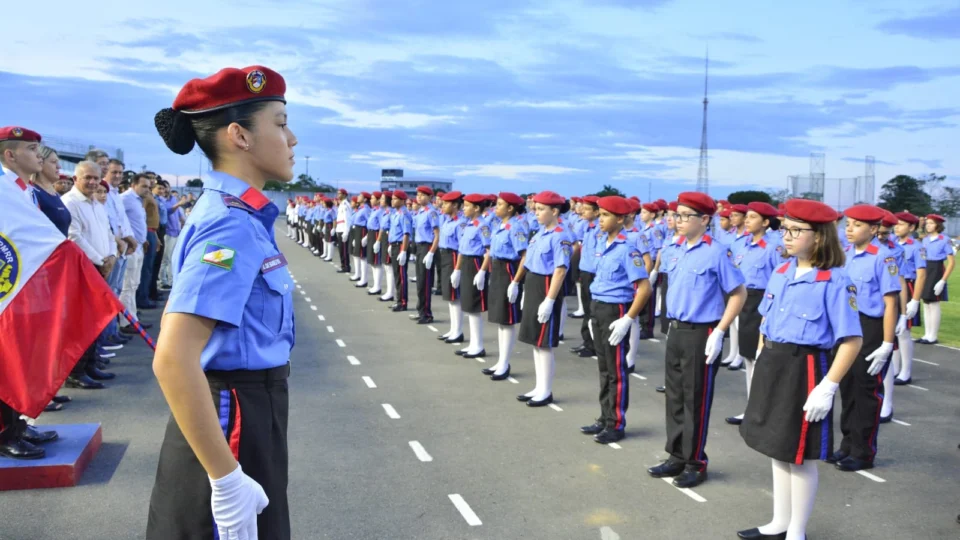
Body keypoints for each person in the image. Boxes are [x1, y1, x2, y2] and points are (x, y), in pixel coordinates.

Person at [146, 65, 296, 540]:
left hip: (246, 407)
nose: (291, 138)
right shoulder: (230, 223)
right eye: (279, 122)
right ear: (239, 136)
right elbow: (173, 358)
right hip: (233, 414)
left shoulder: (241, 215)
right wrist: (227, 478)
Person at [737, 198, 862, 540]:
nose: (786, 236)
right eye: (784, 228)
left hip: (805, 367)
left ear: (819, 237)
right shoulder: (781, 272)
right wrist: (762, 356)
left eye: (795, 230)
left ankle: (797, 531)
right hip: (774, 364)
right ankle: (780, 522)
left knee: (800, 452)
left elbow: (851, 340)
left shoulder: (835, 280)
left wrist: (828, 386)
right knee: (776, 445)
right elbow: (766, 321)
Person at [647, 191, 745, 489]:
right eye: (676, 215)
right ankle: (676, 454)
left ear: (705, 220)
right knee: (675, 396)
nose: (678, 221)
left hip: (701, 331)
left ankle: (695, 462)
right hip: (675, 329)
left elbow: (738, 293)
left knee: (695, 399)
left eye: (685, 216)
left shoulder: (717, 251)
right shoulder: (672, 248)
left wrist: (719, 331)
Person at [827, 204, 900, 472]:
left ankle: (863, 451)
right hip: (847, 325)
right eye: (848, 224)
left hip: (870, 327)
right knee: (846, 387)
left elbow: (890, 302)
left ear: (873, 229)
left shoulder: (883, 257)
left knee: (866, 390)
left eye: (857, 225)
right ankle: (847, 444)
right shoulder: (845, 255)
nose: (849, 229)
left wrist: (886, 343)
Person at [579, 196, 652, 444]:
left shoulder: (627, 249)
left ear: (620, 219)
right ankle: (604, 416)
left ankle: (616, 423)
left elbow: (644, 288)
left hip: (615, 310)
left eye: (605, 215)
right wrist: (591, 314)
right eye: (599, 215)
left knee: (616, 370)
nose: (600, 220)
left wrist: (628, 319)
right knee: (603, 367)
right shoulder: (601, 243)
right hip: (598, 307)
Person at [725, 202, 784, 426]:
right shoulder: (743, 245)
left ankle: (762, 409)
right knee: (749, 356)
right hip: (744, 300)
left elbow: (781, 279)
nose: (747, 220)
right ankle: (752, 407)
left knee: (761, 358)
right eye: (746, 217)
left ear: (766, 222)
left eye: (752, 217)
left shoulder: (774, 247)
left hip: (763, 301)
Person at [512, 191, 571, 407]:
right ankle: (539, 386)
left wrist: (549, 300)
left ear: (554, 211)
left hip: (547, 286)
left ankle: (546, 390)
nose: (536, 213)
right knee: (534, 340)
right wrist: (523, 288)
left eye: (541, 209)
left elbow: (560, 270)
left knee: (544, 342)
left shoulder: (560, 236)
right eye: (535, 209)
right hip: (534, 285)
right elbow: (529, 264)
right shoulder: (538, 234)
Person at [61, 161, 117, 386]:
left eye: (96, 178)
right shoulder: (70, 203)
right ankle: (76, 372)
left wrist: (111, 255)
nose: (93, 182)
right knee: (82, 323)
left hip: (102, 266)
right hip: (84, 268)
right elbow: (74, 237)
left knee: (97, 321)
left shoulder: (96, 203)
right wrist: (100, 260)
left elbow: (107, 232)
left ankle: (91, 364)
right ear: (76, 179)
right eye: (88, 178)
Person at [480, 192, 529, 379]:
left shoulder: (516, 228)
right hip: (498, 269)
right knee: (500, 319)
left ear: (510, 208)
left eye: (500, 205)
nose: (495, 208)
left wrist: (516, 281)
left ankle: (505, 364)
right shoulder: (500, 225)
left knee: (507, 320)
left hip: (509, 270)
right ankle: (501, 361)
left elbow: (524, 256)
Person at [452, 193, 491, 357]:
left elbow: (489, 251)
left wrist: (482, 271)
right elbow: (461, 249)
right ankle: (472, 343)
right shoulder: (468, 225)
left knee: (474, 307)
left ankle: (478, 345)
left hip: (476, 263)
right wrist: (457, 269)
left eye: (467, 206)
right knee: (467, 304)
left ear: (476, 208)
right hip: (466, 263)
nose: (464, 208)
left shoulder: (483, 227)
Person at [892, 211, 925, 385]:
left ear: (911, 227)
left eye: (901, 224)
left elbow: (921, 275)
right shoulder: (892, 244)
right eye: (895, 223)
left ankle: (906, 371)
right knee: (893, 330)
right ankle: (895, 368)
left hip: (909, 287)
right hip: (893, 287)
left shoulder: (916, 246)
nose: (896, 226)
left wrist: (915, 300)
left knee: (904, 332)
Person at [119, 173, 152, 336]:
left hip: (139, 247)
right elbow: (117, 221)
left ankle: (133, 318)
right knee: (127, 286)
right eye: (144, 186)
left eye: (149, 187)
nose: (147, 189)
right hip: (130, 248)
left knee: (133, 285)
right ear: (134, 185)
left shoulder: (138, 201)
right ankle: (126, 321)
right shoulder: (125, 199)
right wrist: (126, 240)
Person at [916, 214, 954, 344]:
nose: (928, 226)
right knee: (926, 302)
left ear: (938, 225)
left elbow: (951, 262)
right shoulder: (925, 240)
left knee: (934, 303)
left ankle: (933, 335)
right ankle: (927, 334)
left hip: (937, 269)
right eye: (927, 223)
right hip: (926, 268)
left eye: (931, 223)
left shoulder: (944, 239)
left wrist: (943, 280)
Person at [571, 196, 600, 358]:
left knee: (592, 309)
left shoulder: (599, 229)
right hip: (585, 270)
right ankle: (587, 341)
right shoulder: (588, 227)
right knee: (587, 308)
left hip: (593, 272)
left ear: (597, 212)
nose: (582, 210)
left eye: (588, 208)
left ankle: (593, 344)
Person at [437, 191, 466, 344]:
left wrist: (457, 269)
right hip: (445, 256)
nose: (443, 205)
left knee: (455, 296)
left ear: (455, 205)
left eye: (447, 203)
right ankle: (453, 328)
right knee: (450, 296)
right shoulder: (447, 220)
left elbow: (461, 247)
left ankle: (458, 331)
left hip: (454, 256)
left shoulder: (460, 223)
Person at [412, 186, 440, 324]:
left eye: (423, 195)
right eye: (418, 194)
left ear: (430, 197)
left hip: (427, 247)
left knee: (425, 281)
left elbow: (437, 235)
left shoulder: (431, 212)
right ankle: (421, 310)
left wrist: (431, 252)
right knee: (420, 281)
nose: (419, 197)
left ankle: (427, 313)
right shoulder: (419, 212)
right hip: (419, 247)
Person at [388, 190, 413, 312]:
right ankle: (398, 300)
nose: (392, 201)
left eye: (395, 199)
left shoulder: (404, 214)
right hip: (394, 245)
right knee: (397, 275)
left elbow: (406, 234)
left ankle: (403, 302)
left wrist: (403, 250)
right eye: (392, 198)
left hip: (400, 246)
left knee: (401, 275)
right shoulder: (395, 213)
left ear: (402, 201)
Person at [335, 188, 353, 273]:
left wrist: (346, 232)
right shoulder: (341, 204)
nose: (338, 195)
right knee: (341, 249)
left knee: (344, 250)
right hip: (340, 228)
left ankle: (346, 266)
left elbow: (347, 219)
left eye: (340, 193)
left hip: (343, 229)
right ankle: (343, 265)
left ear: (344, 195)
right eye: (338, 193)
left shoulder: (346, 205)